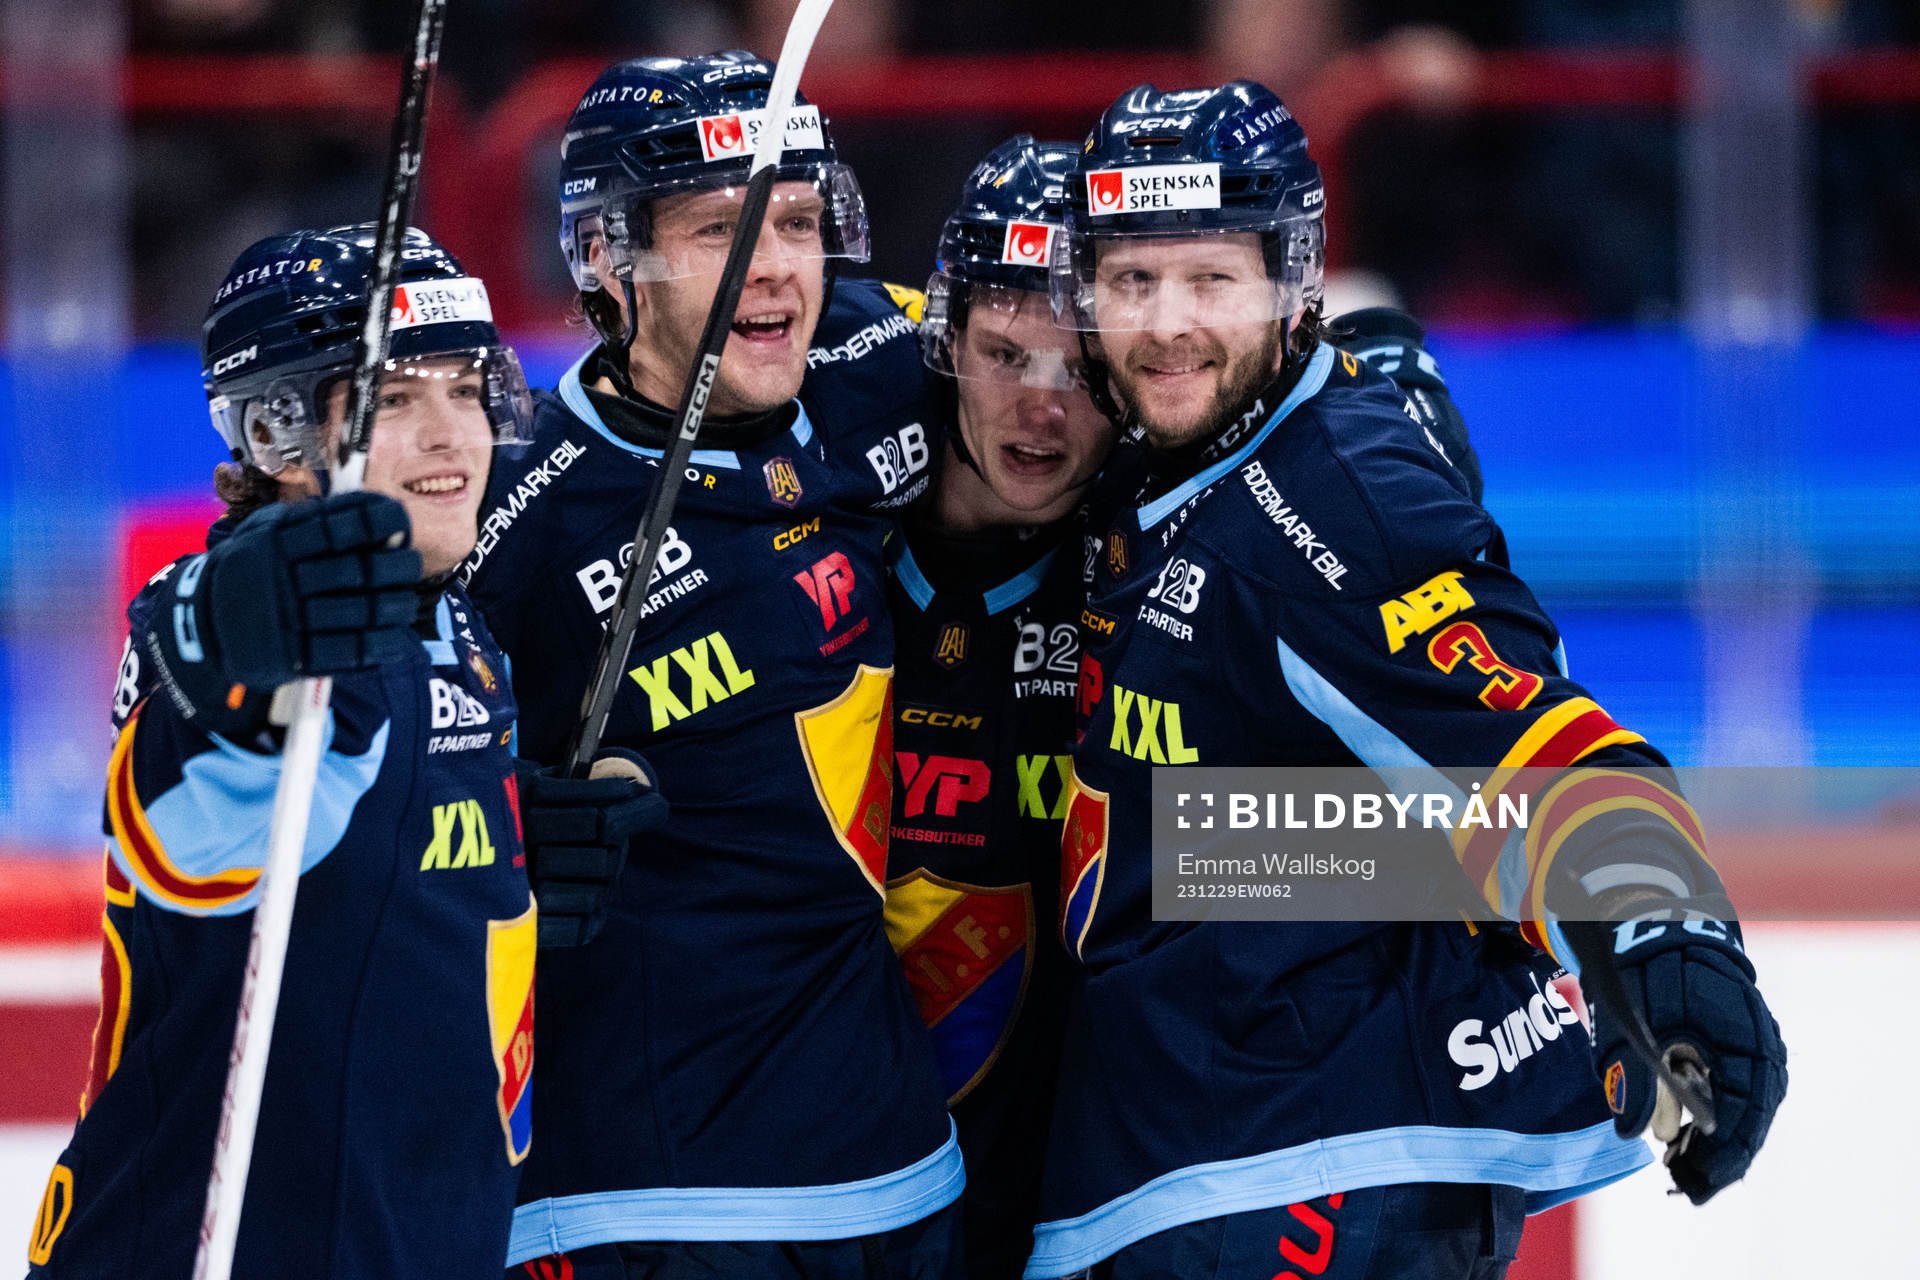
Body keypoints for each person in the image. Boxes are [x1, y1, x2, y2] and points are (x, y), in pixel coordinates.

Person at [1023, 81, 1788, 1279]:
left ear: (1291, 282)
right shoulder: (1166, 467)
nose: (1167, 321)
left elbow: (1543, 748)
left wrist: (1672, 942)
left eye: (1210, 279)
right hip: (1201, 1148)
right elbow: (1259, 832)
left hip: (1307, 1183)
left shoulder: (1329, 508)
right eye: (1131, 281)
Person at [893, 135, 1493, 1279]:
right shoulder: (839, 514)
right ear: (943, 343)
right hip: (870, 1192)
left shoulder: (1217, 534)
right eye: (1002, 354)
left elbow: (1452, 846)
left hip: (1128, 1185)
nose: (1041, 407)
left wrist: (1184, 849)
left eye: (1077, 366)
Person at [26, 224, 665, 1279]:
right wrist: (230, 638)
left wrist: (493, 846)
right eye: (393, 399)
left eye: (465, 389)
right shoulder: (246, 635)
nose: (450, 434)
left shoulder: (459, 631)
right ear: (278, 436)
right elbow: (200, 789)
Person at [458, 53, 964, 1277]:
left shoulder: (879, 358)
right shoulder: (504, 504)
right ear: (603, 259)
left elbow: (1064, 336)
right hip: (644, 1199)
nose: (776, 264)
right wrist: (491, 827)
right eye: (716, 230)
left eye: (798, 220)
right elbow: (328, 760)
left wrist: (1362, 381)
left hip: (905, 1168)